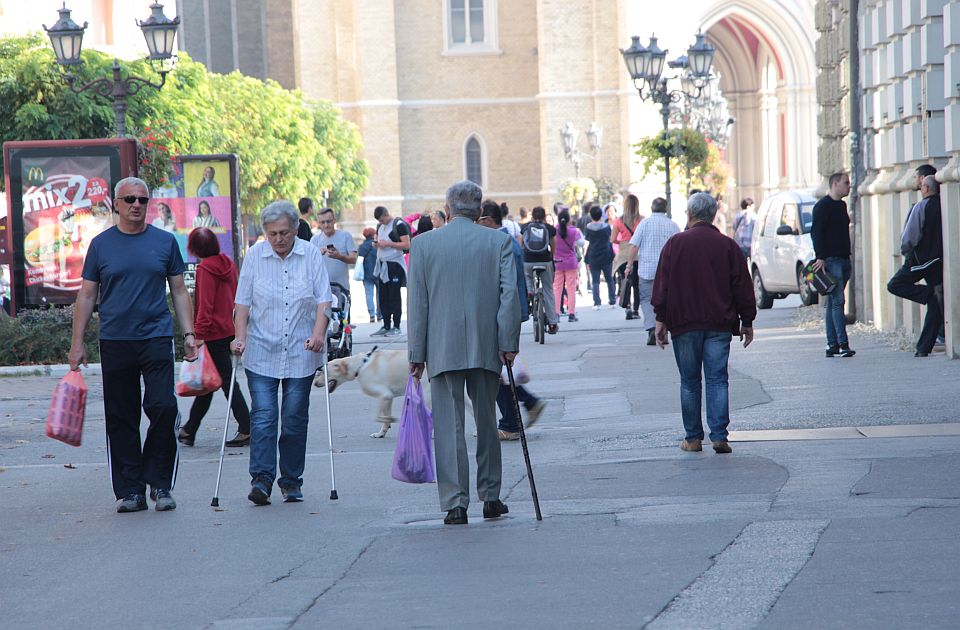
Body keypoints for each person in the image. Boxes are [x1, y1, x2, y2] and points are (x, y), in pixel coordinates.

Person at [68, 176, 197, 513]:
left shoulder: (165, 242)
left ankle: (160, 483)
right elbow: (87, 294)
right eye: (129, 200)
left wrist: (189, 334)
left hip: (155, 337)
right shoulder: (101, 245)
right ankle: (131, 490)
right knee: (121, 416)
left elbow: (180, 291)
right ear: (117, 204)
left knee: (163, 407)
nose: (136, 205)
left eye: (142, 200)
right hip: (115, 340)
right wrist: (76, 342)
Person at [407, 180, 520, 526]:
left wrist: (416, 352)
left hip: (441, 344)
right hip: (486, 343)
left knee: (449, 424)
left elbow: (418, 303)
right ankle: (491, 495)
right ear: (480, 209)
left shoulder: (423, 245)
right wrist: (508, 343)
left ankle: (456, 502)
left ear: (448, 208)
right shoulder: (499, 241)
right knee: (486, 420)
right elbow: (509, 297)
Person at [232, 201, 331, 505]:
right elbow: (243, 303)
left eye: (285, 233)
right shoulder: (255, 258)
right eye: (273, 233)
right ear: (265, 232)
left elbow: (324, 301)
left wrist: (318, 335)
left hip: (301, 350)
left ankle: (291, 481)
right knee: (263, 416)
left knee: (294, 418)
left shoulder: (310, 254)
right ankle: (261, 480)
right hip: (261, 348)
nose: (279, 239)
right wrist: (239, 337)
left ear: (294, 229)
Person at [652, 193, 756, 454]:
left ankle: (693, 438)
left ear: (689, 214)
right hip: (719, 323)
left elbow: (662, 286)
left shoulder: (675, 245)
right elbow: (742, 285)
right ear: (713, 215)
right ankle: (719, 436)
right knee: (718, 379)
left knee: (689, 381)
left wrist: (660, 320)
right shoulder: (727, 246)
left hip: (684, 323)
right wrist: (747, 320)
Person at [178, 227, 251, 448]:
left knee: (225, 381)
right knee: (210, 381)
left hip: (213, 333)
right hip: (229, 328)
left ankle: (247, 427)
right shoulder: (228, 264)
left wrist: (198, 335)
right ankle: (189, 430)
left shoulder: (205, 269)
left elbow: (205, 306)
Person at [477, 204, 543, 440]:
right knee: (500, 370)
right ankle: (525, 405)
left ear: (488, 220)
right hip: (506, 312)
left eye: (478, 218)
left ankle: (511, 421)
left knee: (498, 369)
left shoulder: (499, 243)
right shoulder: (505, 241)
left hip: (501, 314)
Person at [887, 172, 943, 357]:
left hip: (921, 261)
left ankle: (929, 293)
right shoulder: (945, 204)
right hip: (939, 260)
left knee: (895, 285)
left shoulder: (922, 206)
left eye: (922, 186)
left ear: (926, 188)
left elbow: (909, 237)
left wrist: (907, 252)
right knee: (936, 305)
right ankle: (923, 347)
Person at [811, 172, 856, 358]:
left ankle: (832, 345)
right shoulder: (822, 206)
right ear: (835, 184)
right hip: (831, 261)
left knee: (831, 304)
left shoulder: (842, 205)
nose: (849, 186)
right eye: (846, 183)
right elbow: (816, 232)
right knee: (838, 302)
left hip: (844, 259)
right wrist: (820, 256)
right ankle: (843, 344)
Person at [626, 197, 680, 345]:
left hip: (647, 270)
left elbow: (634, 246)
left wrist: (629, 266)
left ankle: (651, 328)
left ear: (651, 208)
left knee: (646, 299)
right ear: (666, 209)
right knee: (667, 300)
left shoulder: (644, 224)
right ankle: (664, 330)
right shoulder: (673, 226)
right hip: (668, 271)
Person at [372, 206, 410, 337]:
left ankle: (397, 325)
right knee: (383, 296)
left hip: (395, 263)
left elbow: (406, 244)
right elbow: (380, 241)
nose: (381, 222)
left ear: (386, 214)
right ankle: (386, 324)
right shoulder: (380, 227)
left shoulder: (399, 225)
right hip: (383, 263)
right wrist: (376, 244)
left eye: (382, 220)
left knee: (394, 295)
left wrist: (388, 244)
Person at [520, 206, 559, 334]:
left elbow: (522, 244)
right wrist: (551, 257)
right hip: (545, 260)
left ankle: (530, 291)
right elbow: (553, 246)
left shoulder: (525, 227)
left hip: (528, 261)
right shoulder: (549, 228)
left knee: (528, 276)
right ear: (544, 217)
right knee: (548, 290)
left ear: (532, 217)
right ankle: (552, 323)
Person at [310, 207, 358, 298]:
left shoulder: (345, 236)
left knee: (342, 311)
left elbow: (353, 259)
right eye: (322, 222)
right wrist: (317, 255)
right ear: (319, 223)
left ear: (334, 221)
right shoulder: (314, 240)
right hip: (320, 290)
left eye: (328, 221)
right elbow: (307, 264)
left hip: (341, 289)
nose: (326, 225)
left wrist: (339, 256)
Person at [612, 195, 642, 320]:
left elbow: (612, 239)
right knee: (637, 283)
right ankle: (636, 309)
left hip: (624, 254)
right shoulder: (641, 220)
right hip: (638, 255)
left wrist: (623, 243)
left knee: (626, 280)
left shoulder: (619, 221)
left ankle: (628, 306)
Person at [553, 208, 584, 323]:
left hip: (557, 262)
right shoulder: (574, 231)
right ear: (569, 219)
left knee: (557, 288)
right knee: (571, 289)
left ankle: (556, 313)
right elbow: (581, 243)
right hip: (571, 262)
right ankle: (571, 313)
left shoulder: (554, 231)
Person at [584, 205, 616, 309]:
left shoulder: (588, 228)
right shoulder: (606, 227)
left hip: (593, 255)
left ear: (591, 216)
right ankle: (612, 301)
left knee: (595, 281)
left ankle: (597, 303)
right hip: (606, 255)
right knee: (609, 279)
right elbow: (610, 238)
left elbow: (587, 240)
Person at [357, 227, 381, 323]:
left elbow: (359, 257)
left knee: (369, 294)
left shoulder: (362, 247)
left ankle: (371, 314)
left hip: (367, 273)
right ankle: (379, 314)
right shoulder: (377, 245)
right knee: (380, 295)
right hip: (378, 272)